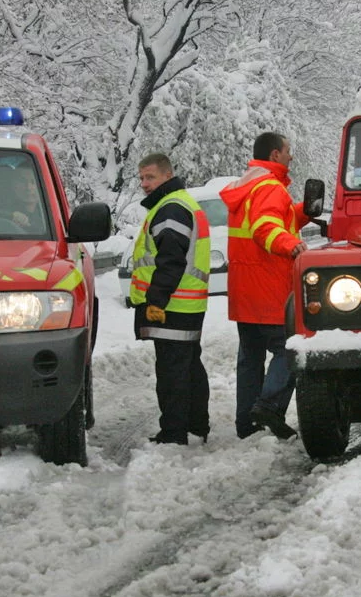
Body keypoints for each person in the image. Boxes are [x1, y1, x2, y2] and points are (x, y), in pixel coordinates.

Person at [220, 132, 310, 440]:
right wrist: (291, 245)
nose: (291, 156)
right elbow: (265, 227)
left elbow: (271, 220)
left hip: (245, 291)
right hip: (269, 287)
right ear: (274, 155)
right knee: (290, 350)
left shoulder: (247, 185)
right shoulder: (270, 187)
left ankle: (247, 424)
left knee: (251, 359)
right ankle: (269, 408)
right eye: (287, 151)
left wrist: (302, 212)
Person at [129, 153, 212, 445]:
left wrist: (156, 300)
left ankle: (174, 433)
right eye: (141, 178)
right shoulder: (178, 203)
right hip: (187, 303)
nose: (144, 184)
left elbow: (171, 260)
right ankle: (196, 425)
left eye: (150, 177)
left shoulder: (171, 208)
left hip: (172, 305)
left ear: (167, 175)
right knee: (188, 367)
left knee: (172, 373)